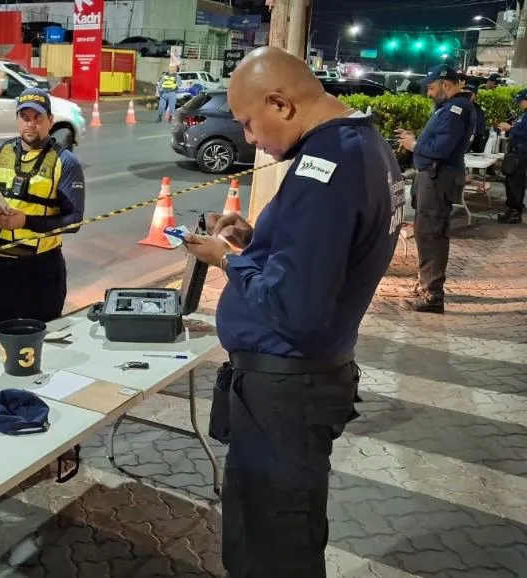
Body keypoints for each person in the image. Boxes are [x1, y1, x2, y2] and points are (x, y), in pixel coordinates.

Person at [181, 46, 404, 578]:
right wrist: (256, 243)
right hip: (300, 386)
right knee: (276, 531)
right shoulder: (363, 144)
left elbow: (295, 307)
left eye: (248, 124)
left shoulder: (326, 168)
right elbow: (322, 259)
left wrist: (229, 261)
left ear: (280, 103)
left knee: (273, 547)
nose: (250, 140)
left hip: (286, 394)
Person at [0, 88, 86, 347]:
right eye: (25, 117)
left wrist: (26, 223)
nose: (30, 123)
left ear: (50, 120)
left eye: (38, 117)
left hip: (40, 270)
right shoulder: (0, 152)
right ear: (17, 119)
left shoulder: (65, 162)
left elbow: (75, 220)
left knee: (40, 341)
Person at [395, 64, 476, 313]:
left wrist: (414, 144)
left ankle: (433, 294)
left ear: (446, 85)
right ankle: (426, 284)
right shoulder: (448, 108)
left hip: (437, 177)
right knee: (425, 231)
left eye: (431, 88)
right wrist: (415, 140)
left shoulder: (456, 109)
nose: (429, 93)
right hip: (431, 176)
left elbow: (441, 148)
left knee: (431, 233)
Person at [495, 88, 527, 224]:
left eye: (521, 101)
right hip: (516, 152)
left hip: (521, 153)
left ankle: (515, 212)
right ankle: (513, 210)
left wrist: (510, 128)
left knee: (515, 183)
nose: (519, 103)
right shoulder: (524, 115)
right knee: (512, 181)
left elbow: (524, 133)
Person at [461, 83, 487, 154]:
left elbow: (480, 132)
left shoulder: (478, 111)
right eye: (464, 91)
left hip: (468, 147)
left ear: (475, 96)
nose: (466, 95)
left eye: (470, 93)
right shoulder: (454, 105)